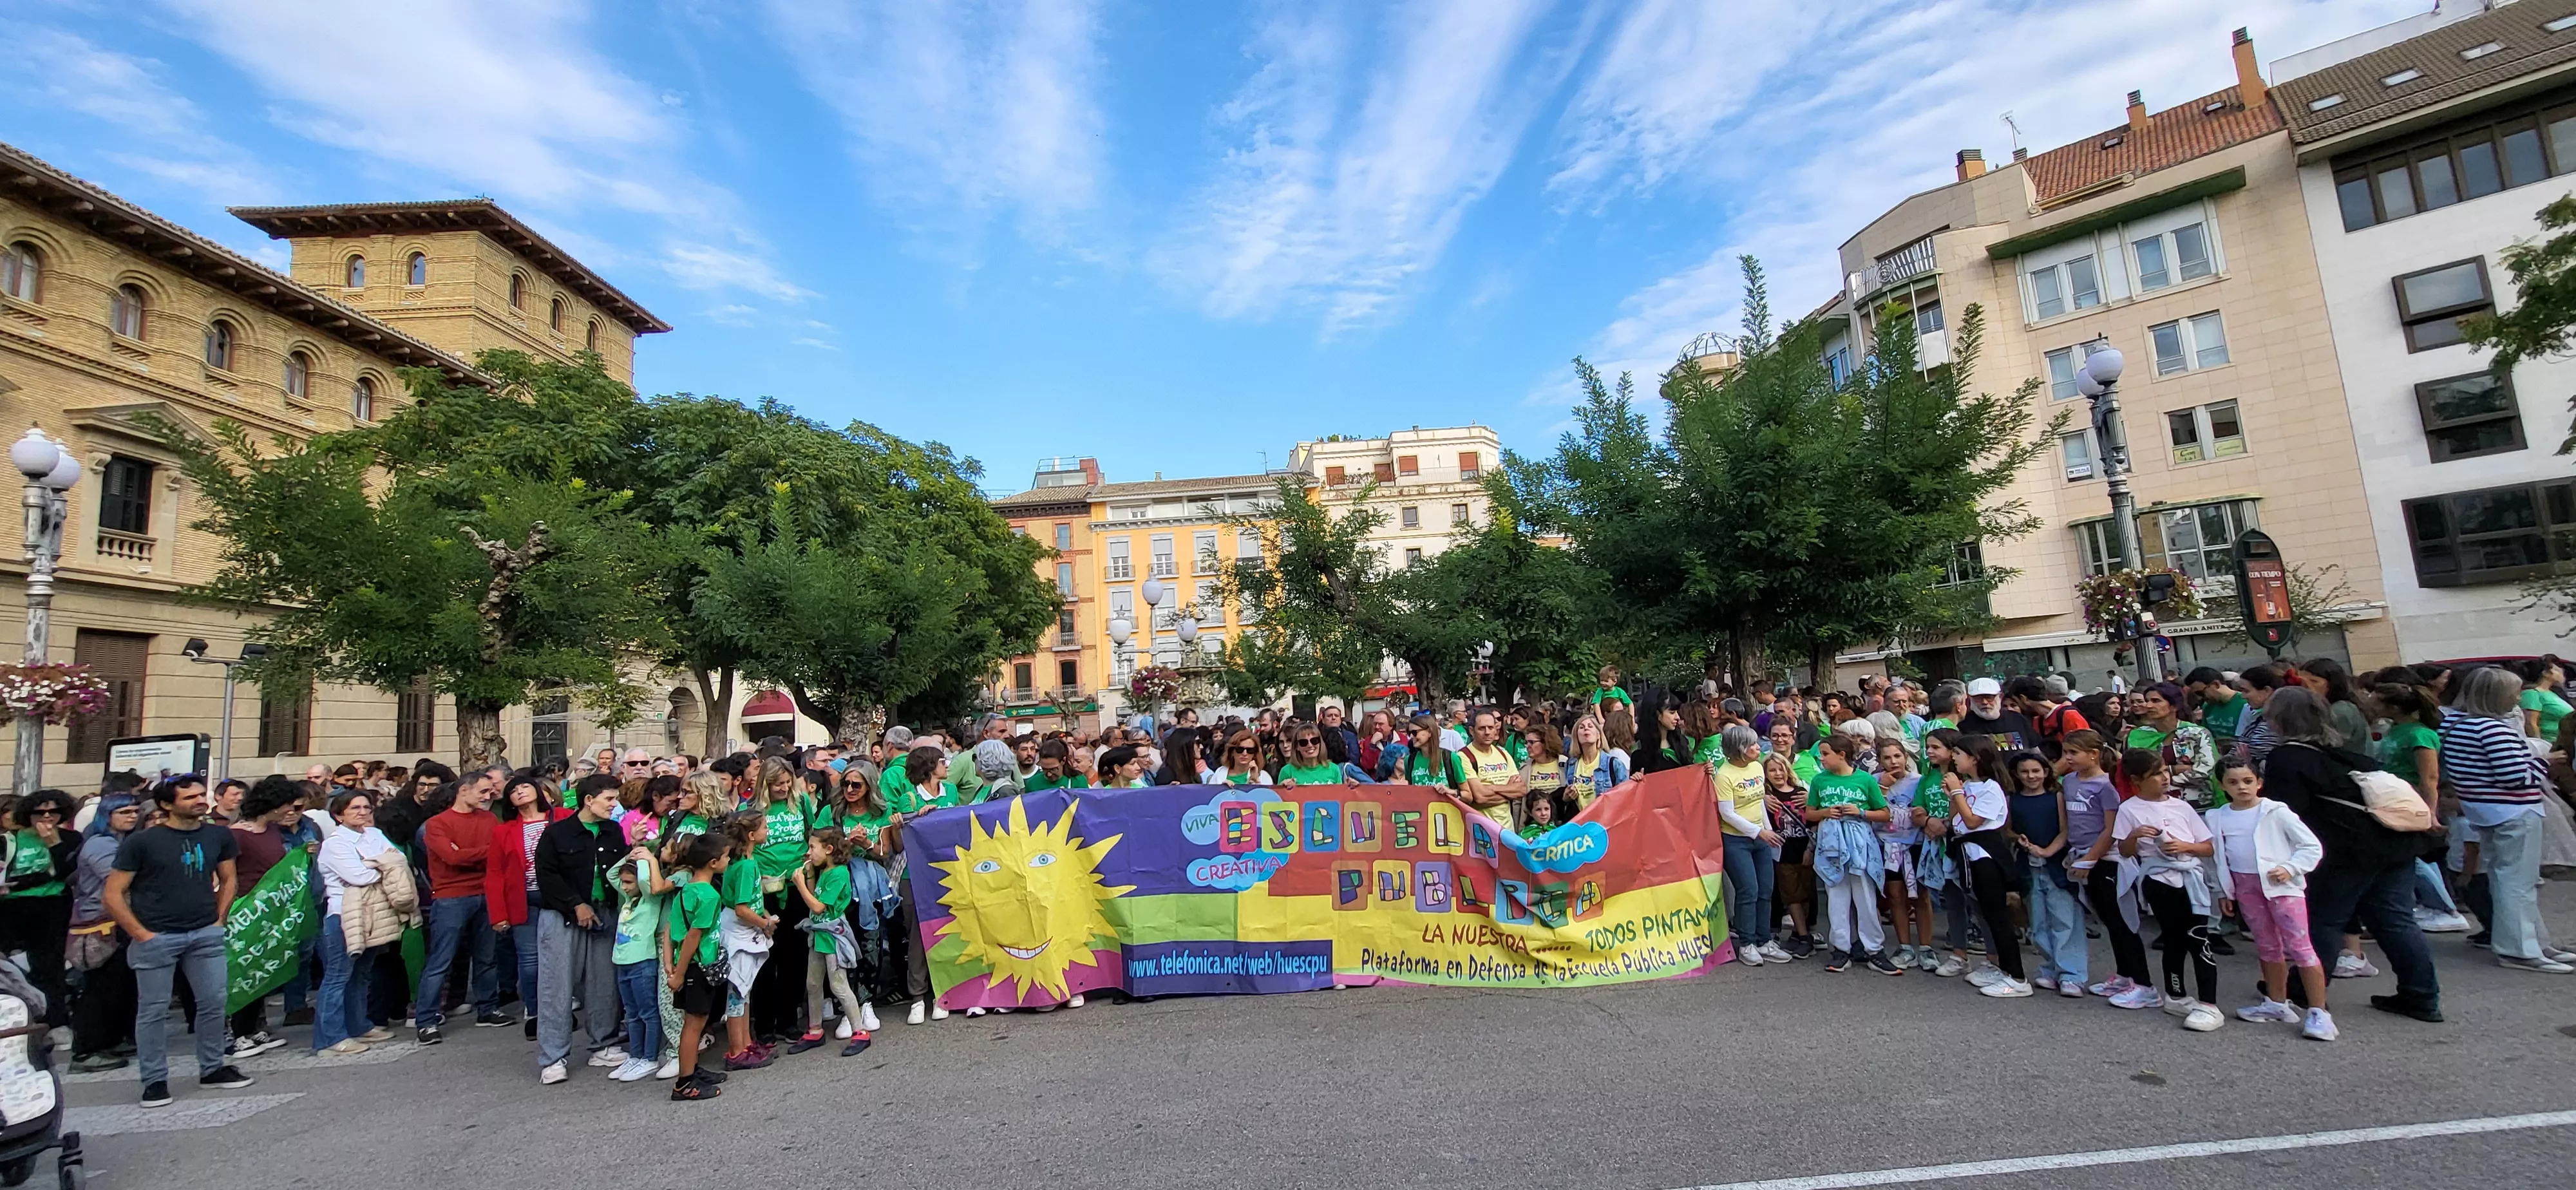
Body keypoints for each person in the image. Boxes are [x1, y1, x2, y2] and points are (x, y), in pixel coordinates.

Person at [2261, 686, 2443, 1023]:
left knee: (2324, 921)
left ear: (2280, 719)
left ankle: (2305, 991)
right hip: (2392, 843)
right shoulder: (2342, 753)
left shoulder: (2287, 757)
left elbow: (2285, 814)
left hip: (2344, 850)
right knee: (2395, 920)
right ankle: (2422, 996)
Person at [103, 777, 253, 1107]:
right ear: (167, 805)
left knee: (214, 1002)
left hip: (205, 933)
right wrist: (141, 934)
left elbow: (229, 880)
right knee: (153, 1011)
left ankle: (212, 1068)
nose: (200, 801)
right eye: (190, 797)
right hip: (157, 935)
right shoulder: (142, 842)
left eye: (202, 795)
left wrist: (219, 919)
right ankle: (154, 1080)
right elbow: (113, 894)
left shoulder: (218, 835)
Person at [2440, 666, 2569, 974]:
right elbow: (2517, 778)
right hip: (2514, 810)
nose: (2518, 697)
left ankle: (2534, 943)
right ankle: (2521, 950)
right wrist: (2543, 761)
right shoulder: (2493, 729)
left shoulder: (2454, 726)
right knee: (2518, 883)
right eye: (2513, 692)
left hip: (2485, 811)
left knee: (2506, 879)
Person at [2203, 759, 2333, 1039]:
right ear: (2223, 785)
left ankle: (2319, 1012)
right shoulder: (2217, 817)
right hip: (2245, 887)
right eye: (2234, 782)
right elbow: (2219, 859)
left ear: (2259, 783)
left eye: (2248, 781)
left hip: (2281, 887)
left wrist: (2290, 868)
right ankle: (2276, 1002)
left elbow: (2311, 846)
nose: (2242, 787)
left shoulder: (2275, 812)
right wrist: (2224, 891)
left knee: (2300, 946)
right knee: (2267, 945)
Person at [2109, 750, 2221, 1030]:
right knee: (2173, 939)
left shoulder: (2181, 807)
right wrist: (2135, 836)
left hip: (2190, 878)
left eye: (2165, 772)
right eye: (2156, 775)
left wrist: (2186, 847)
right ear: (2137, 781)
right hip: (2158, 879)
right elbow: (2124, 850)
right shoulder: (2129, 809)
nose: (2164, 778)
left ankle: (2209, 1004)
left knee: (2198, 938)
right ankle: (2176, 995)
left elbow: (2208, 846)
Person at [533, 777, 630, 1084]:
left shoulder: (613, 831)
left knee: (604, 983)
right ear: (589, 800)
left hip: (605, 914)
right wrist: (575, 904)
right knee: (556, 986)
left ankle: (603, 1043)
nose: (614, 806)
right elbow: (546, 875)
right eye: (609, 799)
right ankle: (553, 1057)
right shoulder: (557, 834)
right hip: (563, 916)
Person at [312, 790, 401, 1056]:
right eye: (355, 808)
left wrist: (378, 864)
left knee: (362, 973)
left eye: (366, 807)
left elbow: (399, 859)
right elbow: (359, 875)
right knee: (338, 976)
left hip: (373, 912)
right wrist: (384, 865)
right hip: (343, 914)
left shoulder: (373, 834)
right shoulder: (335, 844)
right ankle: (330, 1038)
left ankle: (359, 1025)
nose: (363, 812)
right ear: (339, 815)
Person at [414, 774, 502, 1044]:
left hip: (485, 892)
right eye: (484, 791)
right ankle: (426, 1020)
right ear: (464, 791)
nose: (489, 797)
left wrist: (469, 852)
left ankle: (488, 1008)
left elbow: (495, 852)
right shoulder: (437, 824)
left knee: (487, 956)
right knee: (442, 959)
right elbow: (452, 858)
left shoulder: (488, 819)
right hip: (451, 896)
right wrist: (484, 852)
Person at [1943, 734, 2032, 998]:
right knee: (1985, 912)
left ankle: (2017, 977)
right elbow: (1955, 819)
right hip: (1969, 855)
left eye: (1958, 754)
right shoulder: (1970, 786)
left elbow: (1972, 822)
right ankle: (2001, 967)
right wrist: (1954, 795)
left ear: (1975, 758)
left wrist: (1958, 792)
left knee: (1997, 916)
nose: (1954, 759)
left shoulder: (1991, 788)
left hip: (1987, 856)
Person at [220, 778, 301, 1057]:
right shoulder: (236, 835)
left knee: (260, 969)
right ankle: (233, 1032)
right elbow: (224, 876)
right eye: (287, 805)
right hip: (244, 907)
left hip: (270, 910)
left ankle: (251, 1028)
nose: (291, 810)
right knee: (239, 970)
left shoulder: (274, 831)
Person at [2054, 730, 2138, 999]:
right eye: (2066, 752)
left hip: (2105, 861)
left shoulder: (2106, 787)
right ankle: (2124, 975)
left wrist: (2090, 859)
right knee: (2107, 920)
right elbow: (2067, 824)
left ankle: (2139, 980)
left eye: (2074, 753)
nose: (2068, 758)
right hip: (2080, 857)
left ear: (2094, 754)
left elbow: (2110, 830)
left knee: (2121, 921)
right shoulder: (2068, 781)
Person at [1805, 733, 1897, 975]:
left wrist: (1861, 813)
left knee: (1865, 897)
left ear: (1841, 755)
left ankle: (1874, 950)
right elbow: (1810, 813)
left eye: (1825, 754)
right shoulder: (1819, 781)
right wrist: (1825, 812)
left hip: (1860, 845)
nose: (1821, 758)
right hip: (1832, 844)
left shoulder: (1864, 780)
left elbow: (1885, 813)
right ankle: (1841, 949)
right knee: (1837, 897)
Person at [68, 792, 141, 1072]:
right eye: (124, 813)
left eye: (135, 812)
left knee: (120, 987)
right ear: (107, 816)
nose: (132, 817)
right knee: (99, 989)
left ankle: (111, 1039)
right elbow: (118, 880)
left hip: (120, 921)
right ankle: (87, 1051)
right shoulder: (100, 844)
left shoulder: (122, 841)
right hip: (100, 923)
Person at [0, 788, 80, 1030]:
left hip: (52, 906)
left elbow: (66, 871)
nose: (47, 817)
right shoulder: (9, 840)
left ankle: (54, 1021)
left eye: (54, 812)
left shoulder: (70, 839)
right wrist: (42, 876)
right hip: (11, 907)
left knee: (49, 966)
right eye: (40, 812)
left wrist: (53, 843)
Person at [2005, 750, 2083, 998]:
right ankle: (2050, 968)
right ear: (2017, 775)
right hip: (2029, 865)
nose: (2031, 776)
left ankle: (2072, 974)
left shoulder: (2056, 796)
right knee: (2038, 921)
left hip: (2056, 864)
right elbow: (2008, 830)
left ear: (2046, 772)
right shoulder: (2014, 799)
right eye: (2025, 772)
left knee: (2064, 919)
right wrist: (2020, 840)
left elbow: (2065, 830)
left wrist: (2047, 851)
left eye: (2036, 771)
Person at [789, 827, 871, 1053]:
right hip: (819, 935)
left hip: (833, 937)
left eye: (813, 847)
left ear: (829, 850)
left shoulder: (839, 874)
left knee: (839, 985)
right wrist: (810, 875)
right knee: (813, 984)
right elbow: (817, 895)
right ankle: (815, 1030)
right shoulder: (826, 871)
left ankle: (860, 1031)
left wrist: (799, 885)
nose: (809, 852)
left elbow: (817, 906)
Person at [665, 833, 729, 1101]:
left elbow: (670, 928)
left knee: (698, 1022)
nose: (728, 860)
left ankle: (692, 1069)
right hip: (697, 967)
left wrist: (669, 962)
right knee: (694, 1024)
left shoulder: (687, 890)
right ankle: (684, 1082)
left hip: (686, 964)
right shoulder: (709, 895)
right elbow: (694, 935)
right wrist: (679, 973)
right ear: (714, 862)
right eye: (726, 857)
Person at [1711, 726, 1779, 965]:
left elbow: (1759, 800)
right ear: (1739, 749)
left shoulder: (1757, 767)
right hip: (1736, 840)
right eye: (1751, 745)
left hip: (1761, 837)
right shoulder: (1724, 775)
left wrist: (1767, 828)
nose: (1758, 748)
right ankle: (1747, 943)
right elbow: (1727, 813)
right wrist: (1758, 832)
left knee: (1765, 889)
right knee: (1748, 890)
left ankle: (1764, 940)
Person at [606, 838, 669, 1082]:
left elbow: (644, 881)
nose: (624, 886)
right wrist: (631, 854)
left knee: (648, 1012)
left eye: (628, 882)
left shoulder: (650, 898)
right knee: (631, 1014)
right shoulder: (627, 898)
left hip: (643, 962)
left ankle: (650, 1058)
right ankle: (635, 1055)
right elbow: (613, 874)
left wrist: (646, 858)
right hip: (622, 962)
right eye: (623, 883)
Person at [1873, 738, 1935, 972]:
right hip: (1888, 846)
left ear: (1906, 757)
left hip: (1916, 844)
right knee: (1896, 895)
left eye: (1897, 756)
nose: (1893, 762)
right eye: (1887, 758)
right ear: (1880, 761)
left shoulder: (1919, 782)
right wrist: (1884, 788)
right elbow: (1873, 807)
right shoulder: (1875, 782)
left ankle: (1927, 948)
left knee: (1921, 896)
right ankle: (1905, 946)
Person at [2123, 682, 2216, 807]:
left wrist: (2159, 779)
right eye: (2147, 701)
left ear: (2174, 706)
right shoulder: (2138, 736)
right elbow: (2135, 772)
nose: (2148, 705)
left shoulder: (2197, 734)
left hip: (2197, 805)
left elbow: (2205, 770)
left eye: (2156, 701)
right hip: (2153, 805)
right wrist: (2173, 770)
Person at [1761, 752, 1815, 958]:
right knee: (1791, 894)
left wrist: (1810, 848)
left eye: (1781, 768)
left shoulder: (1802, 793)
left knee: (1807, 893)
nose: (1777, 773)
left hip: (1804, 849)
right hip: (1783, 852)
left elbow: (1813, 822)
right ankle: (1804, 937)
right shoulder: (1765, 797)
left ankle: (1797, 934)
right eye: (1772, 770)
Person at [1564, 713, 1629, 811]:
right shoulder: (1571, 764)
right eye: (1581, 727)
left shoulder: (1613, 764)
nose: (1586, 729)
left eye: (1590, 726)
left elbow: (1625, 797)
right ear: (1576, 735)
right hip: (1580, 823)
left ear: (1599, 734)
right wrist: (1566, 796)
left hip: (1605, 821)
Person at [1956, 677, 2038, 753]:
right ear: (1970, 699)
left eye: (1989, 697)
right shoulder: (1963, 725)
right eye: (1978, 698)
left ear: (2000, 697)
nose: (1984, 702)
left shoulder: (2018, 719)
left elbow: (2035, 749)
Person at [1398, 715, 1467, 790]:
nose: (1411, 736)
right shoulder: (1409, 761)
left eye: (1415, 732)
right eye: (1409, 733)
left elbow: (1467, 795)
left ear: (1430, 732)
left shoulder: (1450, 757)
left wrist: (1451, 792)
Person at [1275, 726, 1343, 790]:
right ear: (1297, 747)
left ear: (1320, 744)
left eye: (1314, 741)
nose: (1310, 745)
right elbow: (1279, 801)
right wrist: (1282, 789)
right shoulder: (1287, 771)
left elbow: (1340, 799)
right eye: (1303, 742)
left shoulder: (1334, 769)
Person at [2520, 658, 2571, 742]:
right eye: (2557, 670)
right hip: (2551, 744)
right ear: (2546, 673)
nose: (2561, 673)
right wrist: (2541, 746)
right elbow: (2531, 724)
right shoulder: (2532, 693)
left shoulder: (2553, 693)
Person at [1205, 730, 1272, 786]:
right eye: (1240, 750)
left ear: (1254, 754)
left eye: (1250, 750)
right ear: (1232, 752)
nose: (1245, 754)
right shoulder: (1220, 773)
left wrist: (1256, 784)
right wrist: (1223, 790)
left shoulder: (1264, 777)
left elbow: (1269, 799)